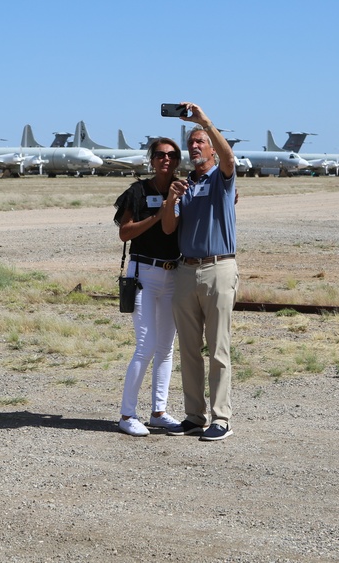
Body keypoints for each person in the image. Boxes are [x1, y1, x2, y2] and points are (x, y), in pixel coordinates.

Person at [161, 103, 238, 441]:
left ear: (211, 147)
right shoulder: (185, 185)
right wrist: (170, 200)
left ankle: (221, 418)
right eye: (191, 142)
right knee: (189, 349)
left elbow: (229, 159)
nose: (194, 146)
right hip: (186, 271)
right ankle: (194, 416)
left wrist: (205, 121)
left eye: (200, 141)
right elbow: (167, 229)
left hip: (218, 268)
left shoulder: (222, 178)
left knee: (218, 347)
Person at [112, 137, 184, 436]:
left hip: (173, 273)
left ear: (177, 160)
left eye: (171, 155)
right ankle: (127, 414)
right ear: (151, 160)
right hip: (144, 273)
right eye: (159, 155)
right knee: (146, 346)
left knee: (166, 348)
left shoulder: (183, 188)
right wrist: (158, 215)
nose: (165, 159)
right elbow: (125, 233)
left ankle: (158, 412)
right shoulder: (137, 192)